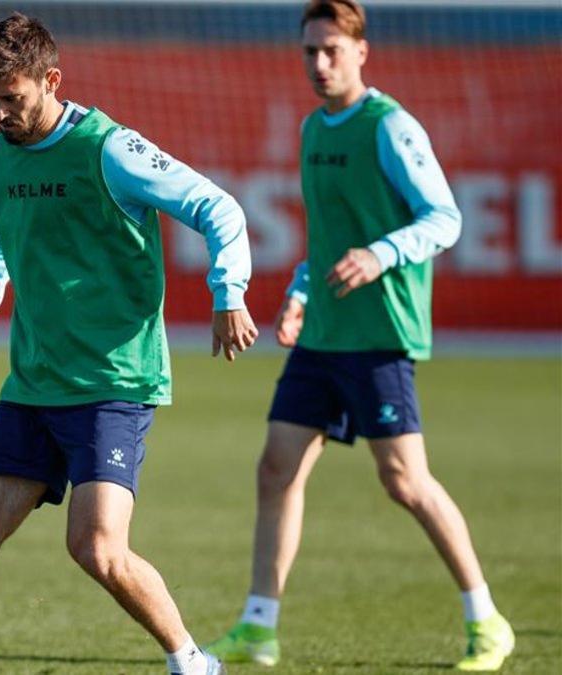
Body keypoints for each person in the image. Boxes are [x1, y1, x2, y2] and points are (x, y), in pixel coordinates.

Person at [0, 13, 258, 675]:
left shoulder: (111, 149)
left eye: (12, 97)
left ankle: (190, 659)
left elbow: (220, 209)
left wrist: (228, 290)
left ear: (52, 80)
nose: (0, 113)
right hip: (36, 383)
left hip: (113, 380)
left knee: (96, 547)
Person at [204, 2, 514, 671]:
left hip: (379, 333)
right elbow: (325, 241)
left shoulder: (391, 127)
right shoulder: (313, 129)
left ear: (361, 52)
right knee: (275, 469)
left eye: (332, 50)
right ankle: (260, 625)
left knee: (404, 481)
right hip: (323, 335)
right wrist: (298, 295)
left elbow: (445, 218)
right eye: (310, 51)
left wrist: (382, 254)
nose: (319, 63)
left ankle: (486, 619)